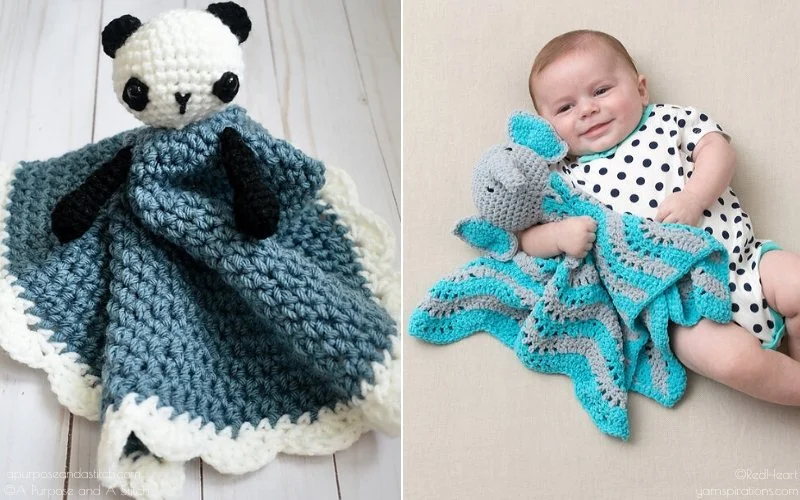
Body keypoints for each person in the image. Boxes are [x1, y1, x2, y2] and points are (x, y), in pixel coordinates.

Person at [521, 29, 800, 405]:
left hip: (744, 259)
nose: (587, 109)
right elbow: (525, 239)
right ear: (544, 126)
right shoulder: (563, 177)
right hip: (679, 308)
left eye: (601, 91)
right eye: (565, 108)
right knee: (734, 362)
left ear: (640, 89)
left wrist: (694, 197)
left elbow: (718, 151)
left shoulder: (667, 121)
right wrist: (559, 236)